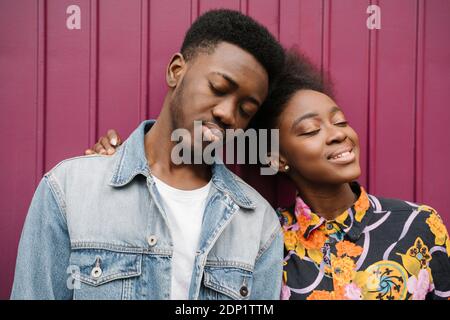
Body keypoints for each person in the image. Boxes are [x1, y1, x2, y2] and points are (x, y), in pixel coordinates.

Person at [98, 49, 450, 300]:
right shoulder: (260, 236)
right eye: (311, 130)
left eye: (340, 121)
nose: (338, 133)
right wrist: (124, 168)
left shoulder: (419, 225)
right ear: (277, 157)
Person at [11, 9, 285, 300]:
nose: (227, 114)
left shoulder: (258, 225)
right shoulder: (69, 190)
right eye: (217, 88)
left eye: (246, 110)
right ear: (176, 71)